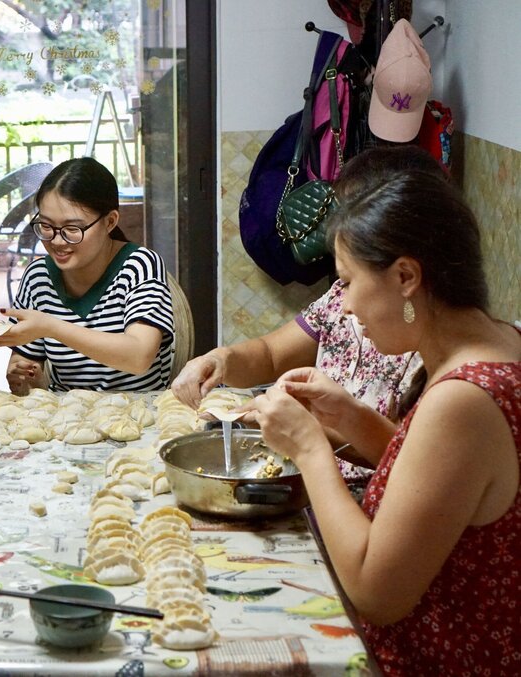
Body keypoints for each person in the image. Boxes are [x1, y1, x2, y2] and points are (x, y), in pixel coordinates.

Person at [248, 170, 520, 675]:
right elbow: (441, 488)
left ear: (405, 277)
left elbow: (377, 593)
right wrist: (351, 419)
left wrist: (309, 448)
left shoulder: (463, 399)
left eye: (348, 282)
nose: (346, 306)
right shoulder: (499, 342)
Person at [172, 145, 444, 492]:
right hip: (313, 484)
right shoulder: (342, 298)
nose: (345, 303)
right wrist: (220, 359)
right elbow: (271, 354)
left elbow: (408, 463)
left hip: (363, 500)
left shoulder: (439, 351)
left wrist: (308, 433)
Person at [0, 157, 175, 392]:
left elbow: (138, 357)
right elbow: (27, 378)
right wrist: (23, 376)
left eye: (73, 229)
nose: (58, 241)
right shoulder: (38, 278)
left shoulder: (139, 265)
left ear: (110, 222)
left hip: (141, 418)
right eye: (46, 226)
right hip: (67, 419)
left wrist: (51, 327)